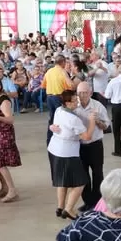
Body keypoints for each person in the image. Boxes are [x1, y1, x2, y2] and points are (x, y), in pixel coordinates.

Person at [48, 89, 96, 219]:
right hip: (67, 153)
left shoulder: (59, 110)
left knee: (62, 181)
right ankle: (68, 209)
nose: (77, 103)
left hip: (55, 149)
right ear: (67, 103)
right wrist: (92, 121)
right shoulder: (73, 119)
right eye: (74, 101)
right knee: (81, 182)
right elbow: (86, 137)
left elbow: (54, 125)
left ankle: (60, 207)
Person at [74, 82, 110, 210]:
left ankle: (97, 201)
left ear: (90, 93)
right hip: (79, 145)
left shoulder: (98, 106)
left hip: (95, 144)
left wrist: (97, 121)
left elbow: (106, 126)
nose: (82, 95)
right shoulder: (74, 106)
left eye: (85, 92)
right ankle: (88, 202)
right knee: (83, 174)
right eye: (79, 93)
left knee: (97, 173)